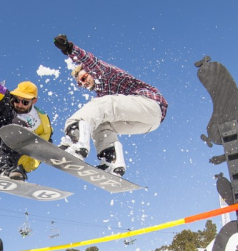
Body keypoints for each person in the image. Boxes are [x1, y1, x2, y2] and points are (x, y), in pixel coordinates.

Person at [52, 34, 168, 177]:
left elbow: (89, 60)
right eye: (79, 83)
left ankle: (74, 137)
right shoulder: (102, 96)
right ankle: (111, 160)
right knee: (101, 124)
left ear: (90, 72)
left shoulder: (103, 73)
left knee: (99, 105)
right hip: (149, 124)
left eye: (84, 78)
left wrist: (69, 49)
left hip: (150, 104)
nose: (83, 83)